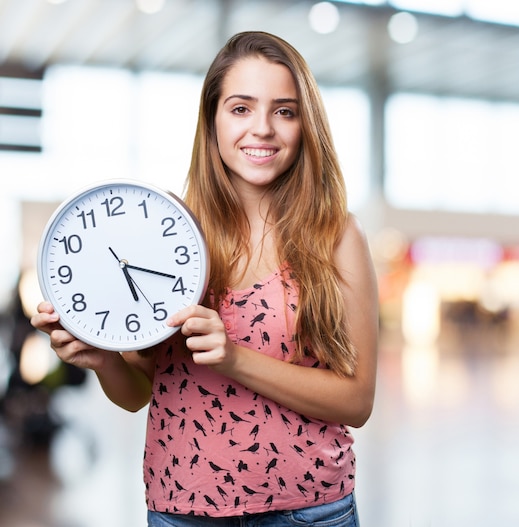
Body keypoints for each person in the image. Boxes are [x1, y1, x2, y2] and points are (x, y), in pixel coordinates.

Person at [31, 31, 378, 526]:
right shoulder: (166, 229)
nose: (262, 129)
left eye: (284, 111)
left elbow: (357, 400)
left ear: (306, 125)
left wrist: (234, 358)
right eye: (241, 108)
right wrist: (104, 360)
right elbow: (139, 393)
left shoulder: (335, 234)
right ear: (212, 119)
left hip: (309, 509)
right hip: (183, 508)